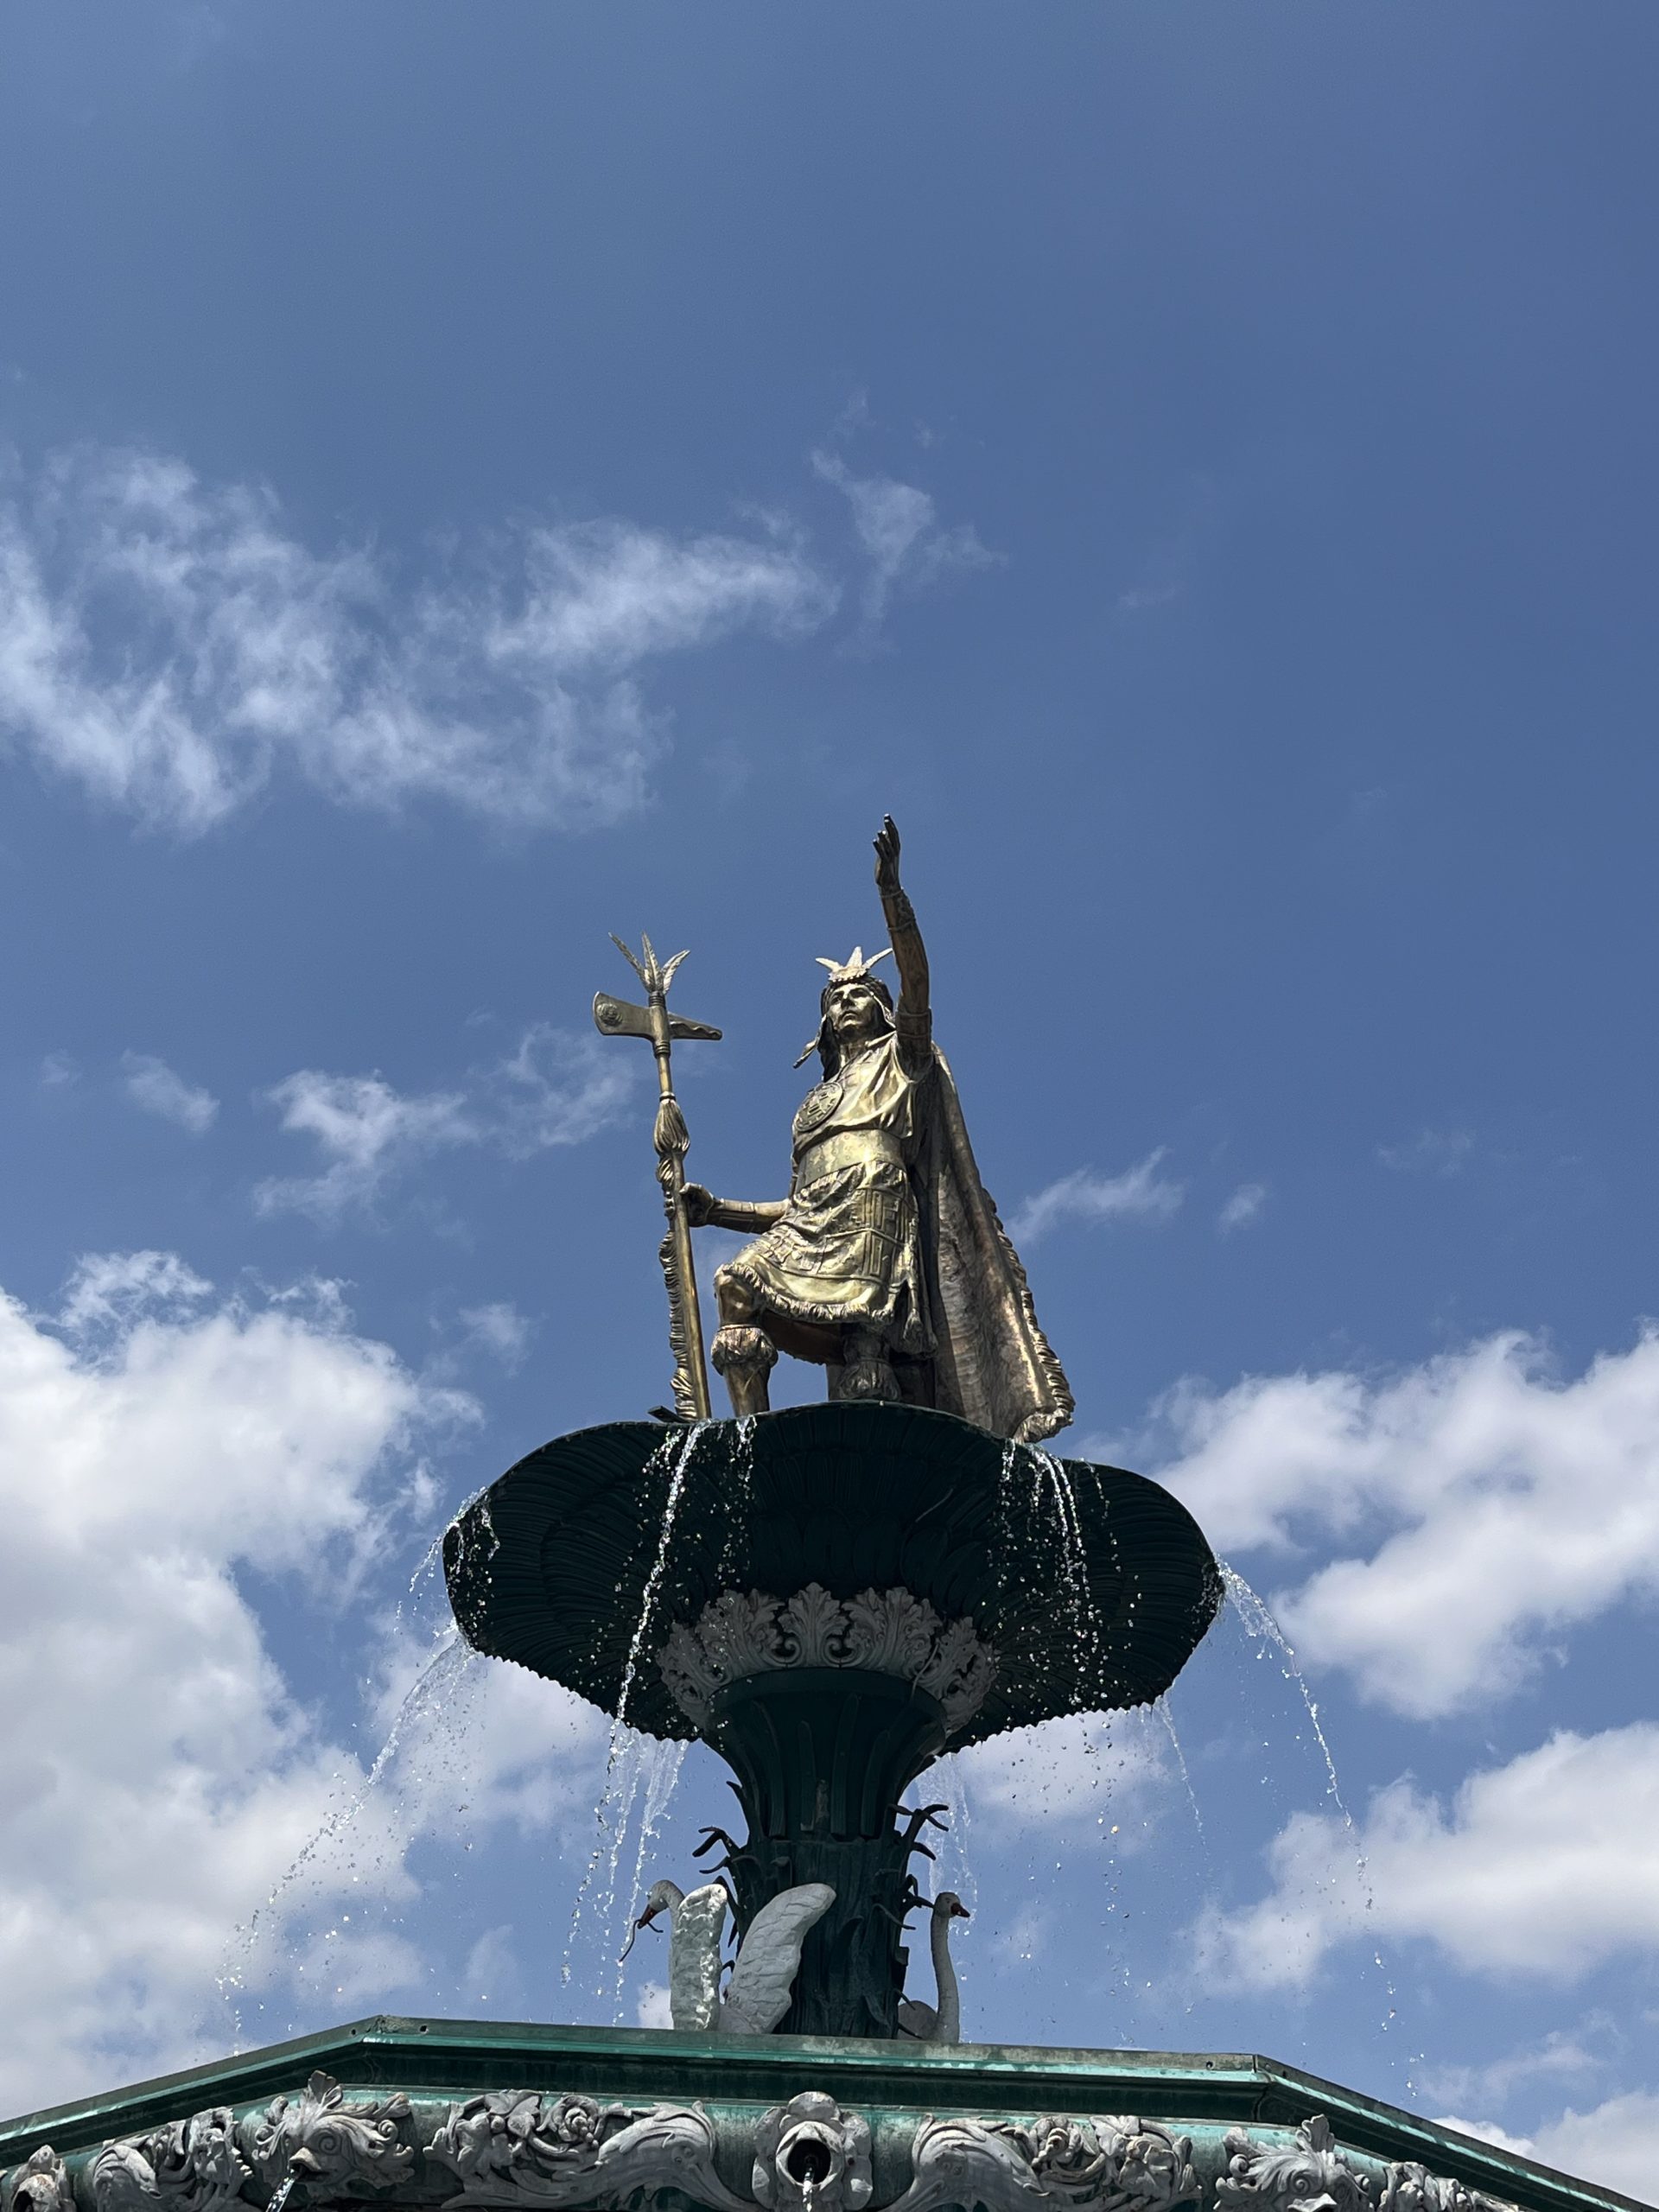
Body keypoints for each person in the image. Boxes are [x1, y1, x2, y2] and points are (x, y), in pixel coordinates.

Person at [683, 819, 1072, 1441]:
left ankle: (881, 1450)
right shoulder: (814, 1104)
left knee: (866, 1347)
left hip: (876, 1212)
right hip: (815, 1222)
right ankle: (753, 1448)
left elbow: (918, 982)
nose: (845, 1003)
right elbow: (796, 1207)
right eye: (834, 999)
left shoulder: (903, 1059)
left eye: (860, 994)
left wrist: (891, 893)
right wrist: (715, 1210)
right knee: (734, 1284)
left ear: (882, 1007)